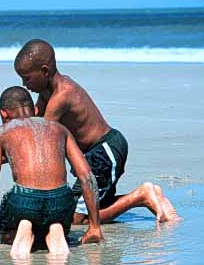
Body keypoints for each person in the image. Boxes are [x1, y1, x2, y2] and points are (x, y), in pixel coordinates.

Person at [12, 39, 178, 223]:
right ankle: (148, 195)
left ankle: (141, 196)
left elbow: (41, 137)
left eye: (27, 78)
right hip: (95, 155)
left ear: (44, 71)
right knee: (94, 204)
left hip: (105, 151)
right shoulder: (46, 92)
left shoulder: (61, 96)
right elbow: (35, 121)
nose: (24, 84)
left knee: (77, 219)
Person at [0, 86, 103, 257]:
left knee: (6, 230)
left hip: (24, 201)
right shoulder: (60, 129)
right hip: (60, 200)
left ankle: (25, 227)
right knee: (56, 214)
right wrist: (94, 227)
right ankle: (55, 229)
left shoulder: (0, 133)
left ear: (3, 114)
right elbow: (87, 177)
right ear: (35, 110)